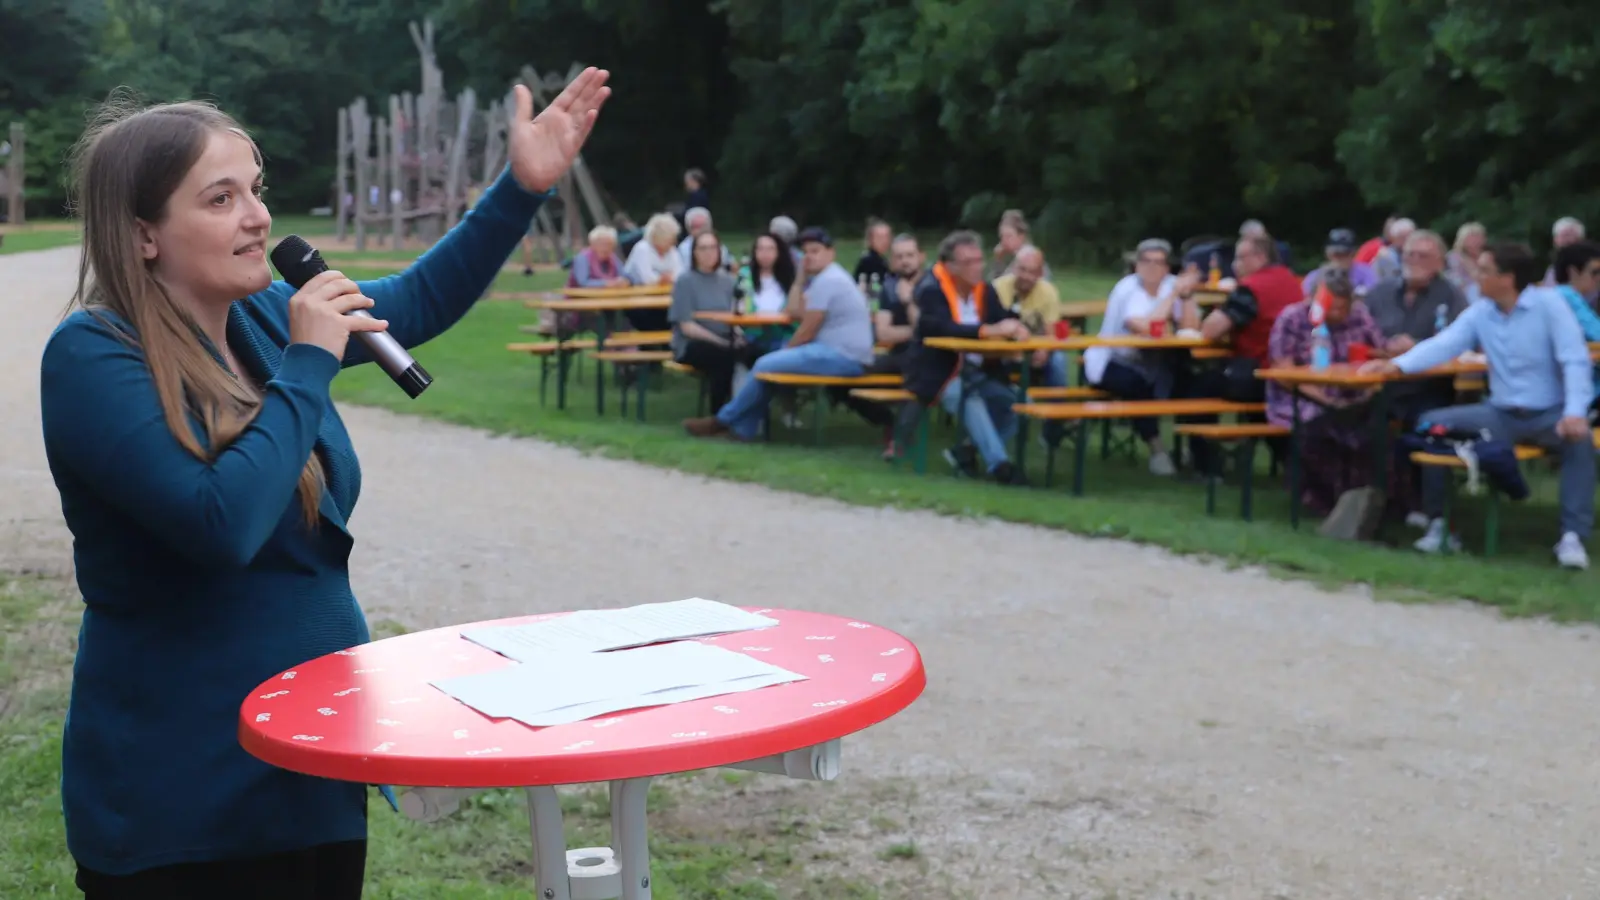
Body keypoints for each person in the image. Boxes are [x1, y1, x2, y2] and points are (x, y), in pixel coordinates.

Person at [39, 71, 609, 898]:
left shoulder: (263, 316)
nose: (260, 217)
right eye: (221, 198)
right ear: (143, 235)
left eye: (257, 190)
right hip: (179, 798)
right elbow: (220, 525)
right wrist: (306, 364)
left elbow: (414, 298)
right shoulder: (93, 356)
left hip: (310, 772)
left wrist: (521, 188)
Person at [1359, 241, 1595, 568]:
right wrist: (1396, 366)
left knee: (1580, 442)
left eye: (1484, 271)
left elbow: (1575, 361)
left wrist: (1574, 413)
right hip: (1499, 414)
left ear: (1508, 278)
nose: (1475, 277)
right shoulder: (1482, 310)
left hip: (1549, 414)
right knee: (1431, 425)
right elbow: (1446, 343)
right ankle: (1441, 525)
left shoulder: (1550, 305)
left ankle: (1572, 537)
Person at [682, 227, 875, 441]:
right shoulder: (827, 277)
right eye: (806, 252)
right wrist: (800, 279)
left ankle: (721, 421)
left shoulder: (830, 281)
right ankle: (742, 431)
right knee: (768, 370)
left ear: (831, 253)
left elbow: (806, 331)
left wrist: (784, 352)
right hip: (837, 353)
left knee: (765, 363)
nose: (809, 256)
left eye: (816, 251)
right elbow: (793, 312)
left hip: (843, 356)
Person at [1264, 269, 1392, 535]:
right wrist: (1325, 399)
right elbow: (1284, 374)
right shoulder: (1293, 318)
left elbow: (1380, 352)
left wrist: (1380, 358)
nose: (1337, 314)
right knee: (1318, 425)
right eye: (1331, 307)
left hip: (1353, 393)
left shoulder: (1359, 316)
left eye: (1343, 308)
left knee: (1378, 429)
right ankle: (1323, 500)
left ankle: (1370, 500)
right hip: (1301, 395)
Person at [904, 230, 1031, 484]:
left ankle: (966, 451)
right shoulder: (931, 289)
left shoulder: (984, 291)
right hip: (938, 373)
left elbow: (1003, 316)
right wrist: (988, 331)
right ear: (950, 267)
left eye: (979, 260)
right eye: (969, 262)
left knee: (1022, 406)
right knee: (967, 397)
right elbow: (941, 328)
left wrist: (1018, 326)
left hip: (980, 370)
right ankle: (1000, 466)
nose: (977, 267)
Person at [1085, 238, 1190, 475]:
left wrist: (1187, 296)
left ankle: (1191, 447)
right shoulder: (1128, 289)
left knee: (1189, 380)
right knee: (1137, 387)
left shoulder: (1170, 285)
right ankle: (1157, 451)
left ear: (1167, 267)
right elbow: (1144, 328)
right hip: (1111, 361)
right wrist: (1174, 295)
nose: (1152, 268)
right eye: (1147, 262)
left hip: (1153, 361)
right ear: (1137, 265)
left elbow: (1192, 327)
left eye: (1159, 263)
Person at [669, 231, 741, 413]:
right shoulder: (685, 281)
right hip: (692, 343)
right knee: (722, 357)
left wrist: (738, 336)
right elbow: (687, 326)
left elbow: (735, 315)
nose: (709, 252)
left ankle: (747, 414)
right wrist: (722, 342)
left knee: (751, 353)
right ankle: (718, 415)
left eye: (713, 248)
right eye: (703, 248)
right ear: (694, 252)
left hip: (726, 337)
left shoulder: (728, 280)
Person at [854, 217, 893, 284]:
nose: (884, 241)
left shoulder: (884, 261)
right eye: (879, 237)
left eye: (887, 237)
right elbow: (875, 287)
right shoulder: (869, 262)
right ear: (870, 240)